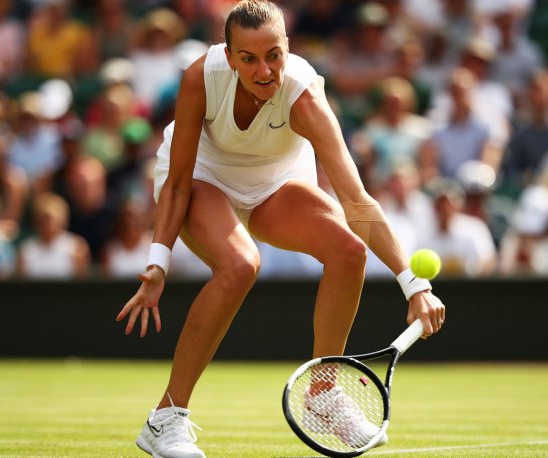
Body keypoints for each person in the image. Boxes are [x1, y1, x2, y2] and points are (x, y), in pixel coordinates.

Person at [115, 2, 445, 457]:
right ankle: (166, 418)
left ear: (288, 48)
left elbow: (357, 200)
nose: (264, 70)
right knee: (240, 265)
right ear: (229, 57)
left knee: (349, 252)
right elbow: (176, 183)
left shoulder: (305, 97)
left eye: (273, 54)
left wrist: (414, 285)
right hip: (202, 178)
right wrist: (158, 263)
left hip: (274, 183)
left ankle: (322, 395)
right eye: (248, 58)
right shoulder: (200, 77)